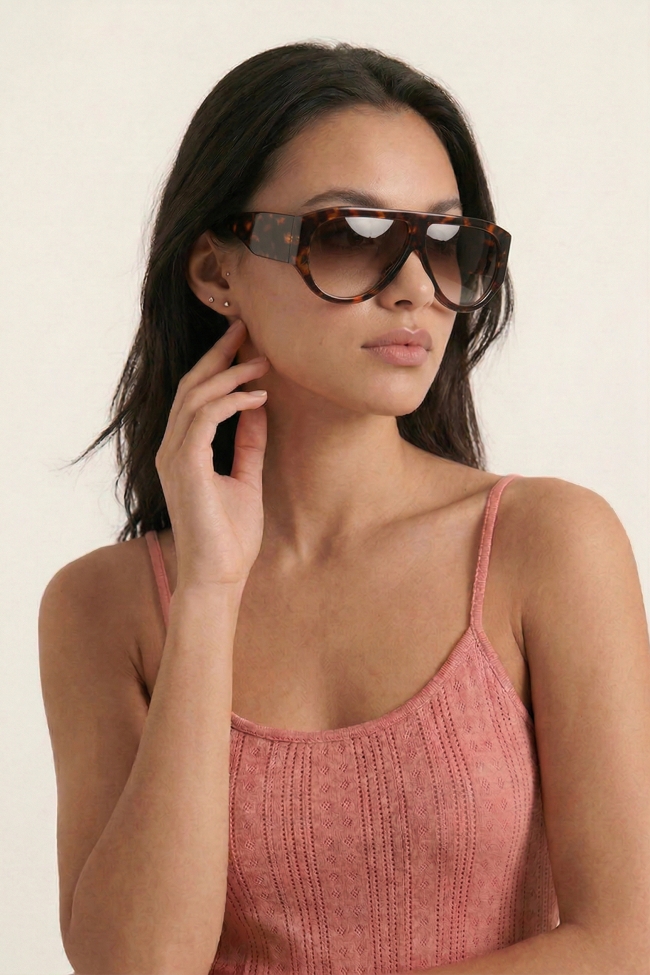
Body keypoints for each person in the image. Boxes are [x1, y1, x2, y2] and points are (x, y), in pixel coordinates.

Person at [38, 40, 649, 975]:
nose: (414, 288)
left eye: (447, 244)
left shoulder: (549, 547)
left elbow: (626, 942)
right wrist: (208, 593)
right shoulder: (103, 609)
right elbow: (139, 967)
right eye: (349, 235)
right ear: (217, 271)